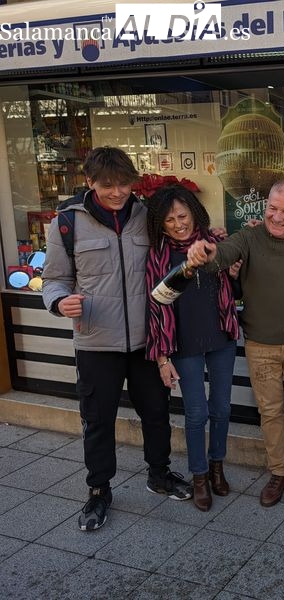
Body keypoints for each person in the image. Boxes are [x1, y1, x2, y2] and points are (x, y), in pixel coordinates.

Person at [41, 147, 192, 532]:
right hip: (96, 343)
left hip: (146, 342)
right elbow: (55, 278)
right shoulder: (66, 223)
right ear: (90, 182)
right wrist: (58, 302)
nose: (118, 192)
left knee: (156, 413)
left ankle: (159, 473)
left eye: (124, 183)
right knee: (97, 420)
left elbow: (176, 247)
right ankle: (98, 490)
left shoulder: (146, 216)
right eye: (108, 185)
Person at [186, 179, 284, 517]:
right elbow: (223, 254)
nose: (276, 216)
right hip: (260, 343)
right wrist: (205, 251)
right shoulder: (249, 237)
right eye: (272, 208)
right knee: (270, 412)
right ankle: (280, 472)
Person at [145, 184, 240, 512]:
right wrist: (162, 358)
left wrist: (234, 270)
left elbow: (235, 288)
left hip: (221, 337)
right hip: (183, 342)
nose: (178, 224)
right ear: (160, 223)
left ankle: (217, 467)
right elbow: (155, 307)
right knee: (196, 413)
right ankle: (199, 476)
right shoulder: (158, 255)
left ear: (195, 214)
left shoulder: (214, 244)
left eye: (183, 216)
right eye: (170, 219)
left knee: (222, 408)